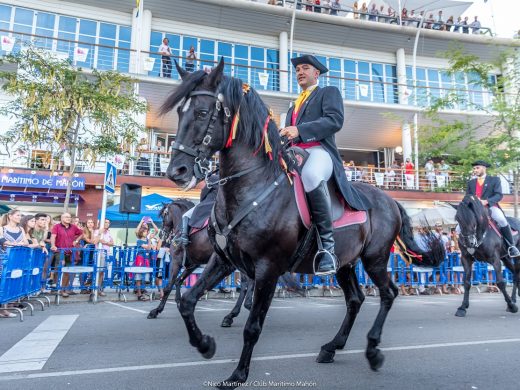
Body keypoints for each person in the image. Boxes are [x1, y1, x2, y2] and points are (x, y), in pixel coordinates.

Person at [280, 54, 372, 276]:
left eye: (304, 68)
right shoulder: (293, 105)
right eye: (297, 70)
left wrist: (300, 130)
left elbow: (334, 120)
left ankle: (327, 248)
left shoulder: (327, 92)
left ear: (316, 73)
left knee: (311, 175)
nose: (299, 72)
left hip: (318, 151)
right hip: (294, 154)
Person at [467, 160, 520, 257]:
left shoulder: (494, 180)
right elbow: (467, 196)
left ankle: (511, 246)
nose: (475, 170)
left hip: (490, 207)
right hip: (475, 209)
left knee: (501, 219)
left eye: (477, 168)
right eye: (474, 168)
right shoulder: (471, 183)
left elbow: (498, 195)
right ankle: (467, 247)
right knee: (458, 227)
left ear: (484, 168)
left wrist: (486, 201)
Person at [50, 213, 83, 297]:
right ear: (61, 218)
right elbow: (53, 236)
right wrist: (53, 245)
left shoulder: (73, 227)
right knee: (59, 268)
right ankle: (55, 287)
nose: (68, 218)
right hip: (59, 251)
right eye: (66, 217)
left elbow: (81, 233)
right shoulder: (56, 226)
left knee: (68, 271)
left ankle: (63, 289)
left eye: (69, 217)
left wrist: (76, 241)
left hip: (70, 251)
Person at [94, 219, 114, 296]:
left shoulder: (108, 232)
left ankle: (99, 289)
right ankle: (95, 289)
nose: (107, 224)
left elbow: (112, 243)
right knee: (98, 271)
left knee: (102, 272)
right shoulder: (97, 231)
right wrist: (99, 234)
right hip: (100, 253)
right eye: (106, 222)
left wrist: (105, 242)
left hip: (107, 253)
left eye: (108, 222)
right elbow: (95, 241)